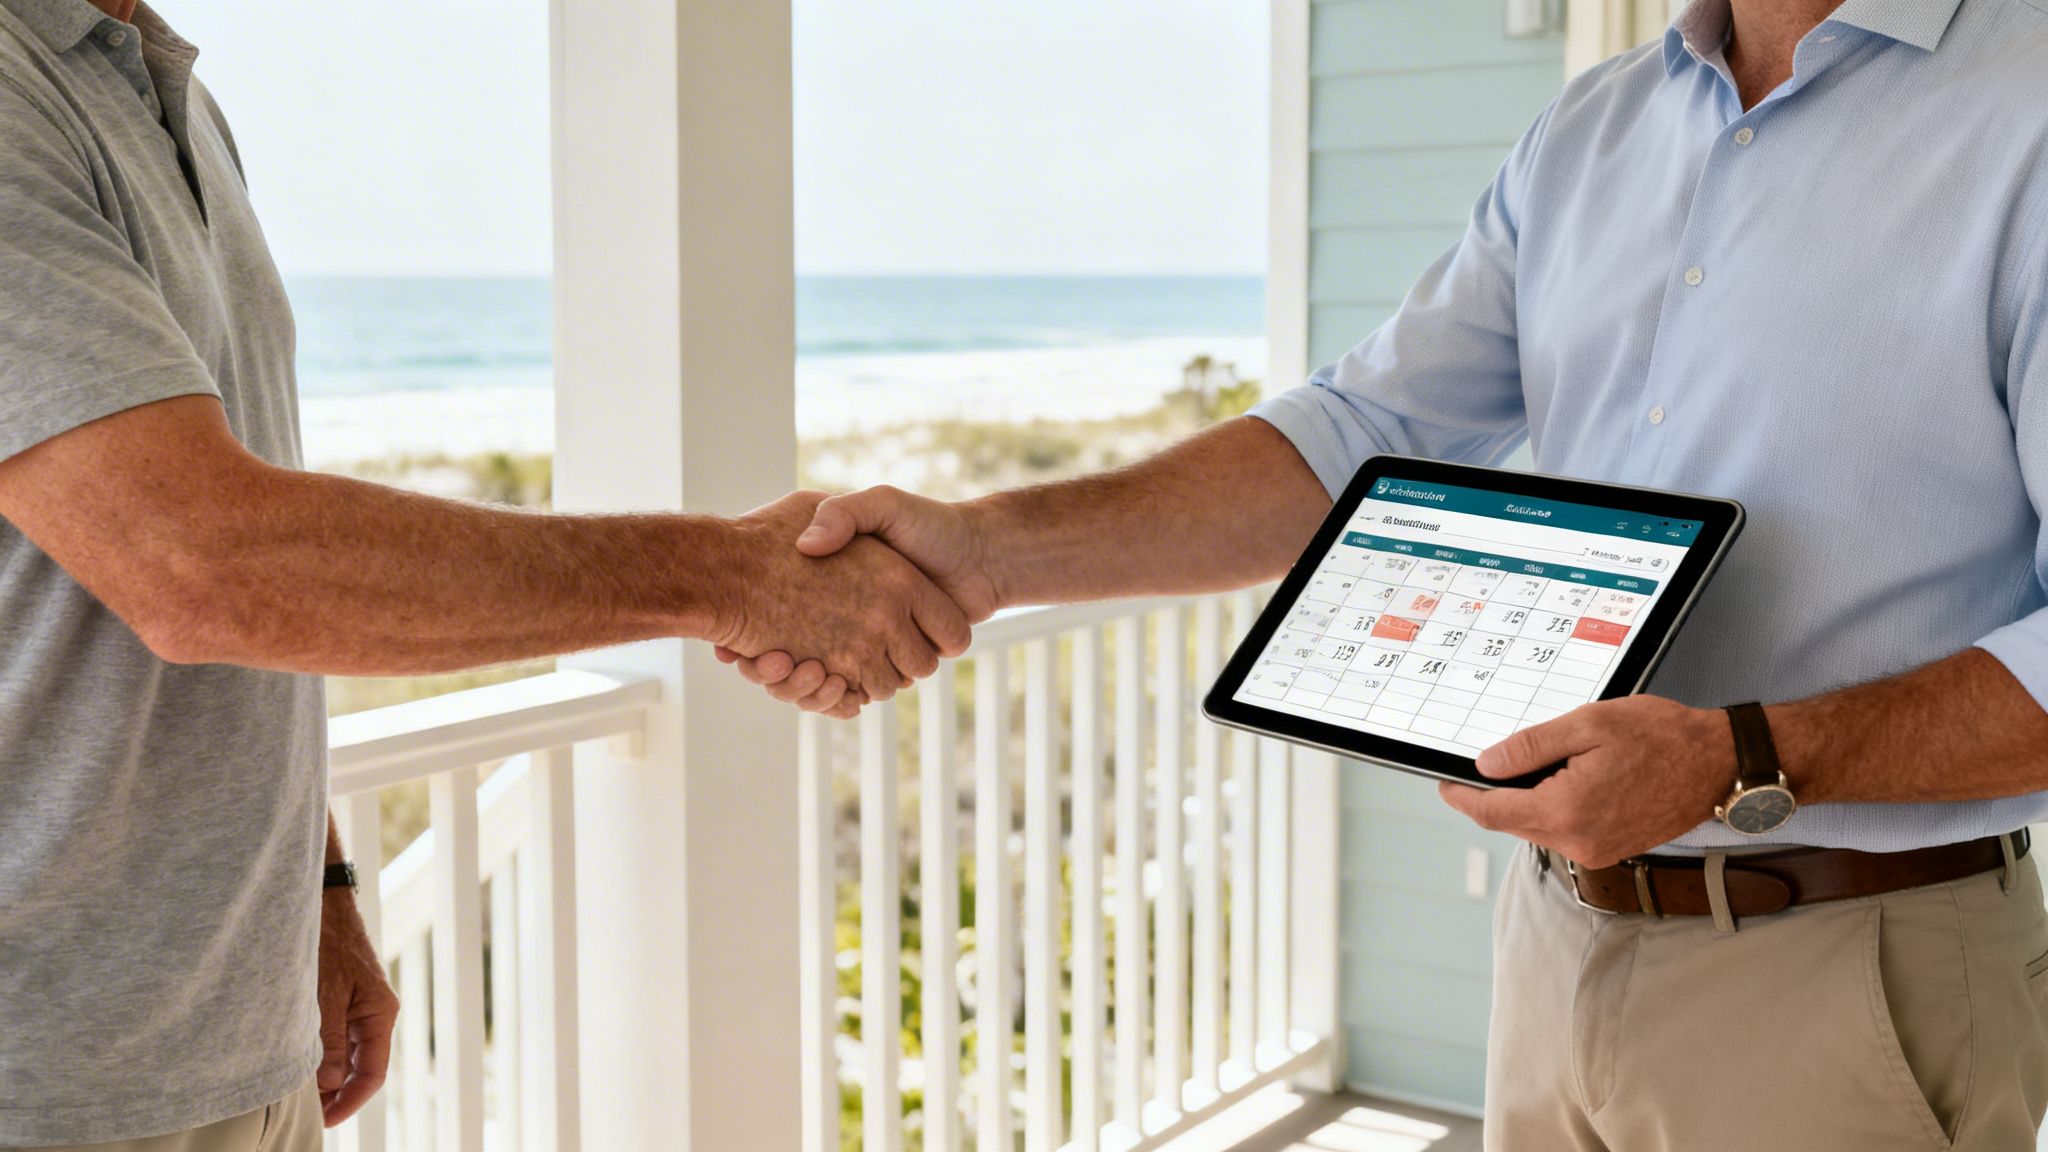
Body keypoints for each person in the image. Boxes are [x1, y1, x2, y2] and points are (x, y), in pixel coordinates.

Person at [733, 0, 2048, 1146]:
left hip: (1849, 969)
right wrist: (985, 551)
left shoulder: (2026, 112)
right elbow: (1360, 435)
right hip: (1558, 944)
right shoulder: (1588, 132)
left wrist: (1741, 753)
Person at [0, 0, 968, 1147]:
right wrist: (729, 576)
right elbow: (201, 561)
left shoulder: (162, 88)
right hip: (46, 1075)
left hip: (230, 1046)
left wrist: (319, 894)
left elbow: (245, 552)